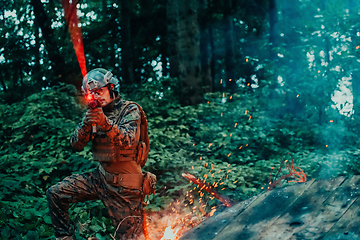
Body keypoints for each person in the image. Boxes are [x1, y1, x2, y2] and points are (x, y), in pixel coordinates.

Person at [46, 68, 146, 240]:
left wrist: (105, 124)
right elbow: (76, 145)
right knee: (55, 193)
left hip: (125, 184)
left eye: (100, 91)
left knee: (132, 238)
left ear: (112, 87)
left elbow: (128, 140)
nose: (96, 97)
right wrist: (86, 125)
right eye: (92, 94)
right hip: (101, 177)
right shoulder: (94, 113)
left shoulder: (129, 110)